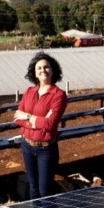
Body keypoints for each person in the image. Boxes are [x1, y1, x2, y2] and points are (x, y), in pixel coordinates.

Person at [13, 52, 68, 198]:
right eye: (39, 68)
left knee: (45, 191)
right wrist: (38, 121)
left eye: (46, 67)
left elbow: (50, 124)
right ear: (34, 73)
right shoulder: (29, 92)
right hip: (27, 145)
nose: (43, 70)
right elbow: (18, 119)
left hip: (46, 149)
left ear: (53, 70)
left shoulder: (58, 95)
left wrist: (29, 117)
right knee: (33, 187)